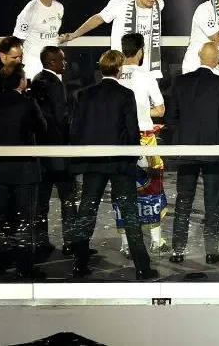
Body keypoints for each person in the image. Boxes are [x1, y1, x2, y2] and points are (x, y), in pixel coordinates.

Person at [68, 50, 156, 280]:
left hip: (93, 163)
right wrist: (134, 156)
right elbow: (131, 131)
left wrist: (79, 159)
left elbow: (75, 131)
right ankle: (142, 266)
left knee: (87, 212)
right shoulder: (125, 95)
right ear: (119, 69)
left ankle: (79, 263)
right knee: (129, 214)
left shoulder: (83, 95)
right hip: (120, 164)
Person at [166, 42, 219, 264]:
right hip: (214, 152)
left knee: (184, 201)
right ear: (216, 59)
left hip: (187, 150)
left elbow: (171, 118)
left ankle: (178, 250)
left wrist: (180, 142)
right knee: (212, 203)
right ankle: (211, 251)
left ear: (199, 57)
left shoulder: (181, 82)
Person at [0, 63, 47, 279]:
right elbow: (42, 128)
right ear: (21, 81)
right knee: (24, 220)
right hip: (24, 171)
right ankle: (24, 267)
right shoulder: (28, 103)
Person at [115, 33, 168, 256]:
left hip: (119, 139)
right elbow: (161, 110)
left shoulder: (114, 75)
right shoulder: (146, 76)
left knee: (122, 190)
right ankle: (156, 240)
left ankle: (126, 243)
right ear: (139, 52)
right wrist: (144, 114)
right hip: (145, 138)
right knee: (151, 186)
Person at [60, 0, 165, 78]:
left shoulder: (159, 3)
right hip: (123, 69)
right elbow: (98, 18)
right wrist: (74, 34)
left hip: (150, 71)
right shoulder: (120, 4)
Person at [29, 46, 79, 256]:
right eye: (62, 60)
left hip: (40, 151)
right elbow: (62, 117)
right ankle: (71, 242)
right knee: (68, 198)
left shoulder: (36, 81)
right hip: (59, 150)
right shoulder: (55, 84)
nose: (65, 64)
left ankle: (41, 242)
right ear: (52, 63)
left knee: (41, 201)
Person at [13, 0, 64, 81]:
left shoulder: (60, 8)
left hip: (54, 71)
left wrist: (59, 38)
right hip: (33, 72)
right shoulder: (29, 11)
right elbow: (17, 42)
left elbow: (51, 33)